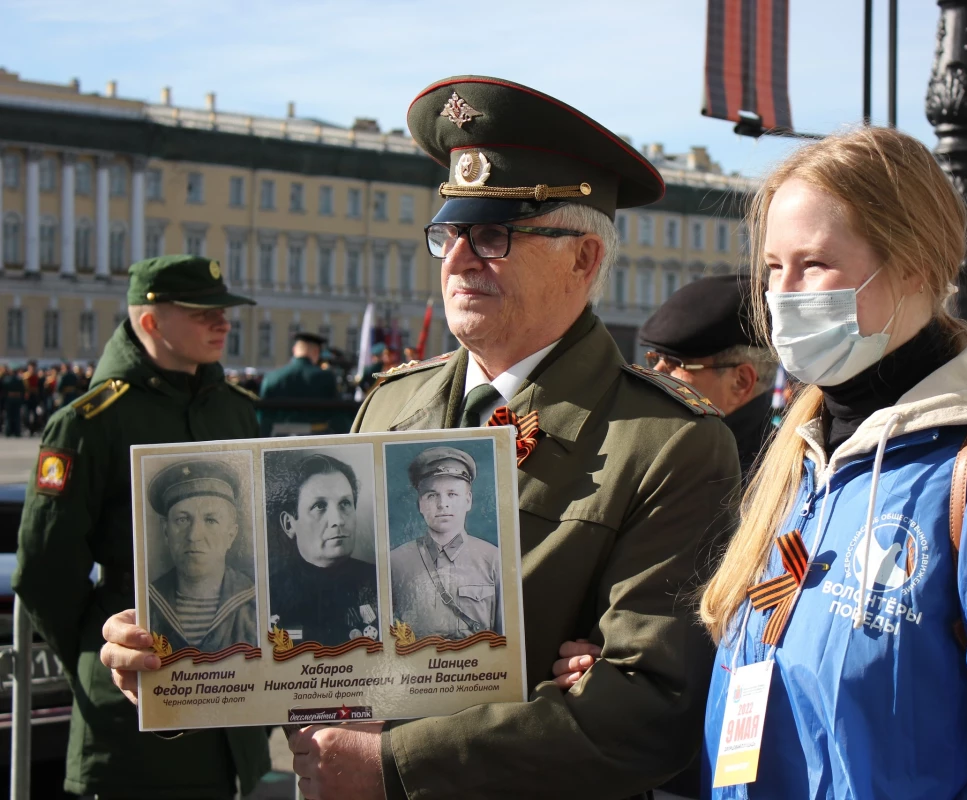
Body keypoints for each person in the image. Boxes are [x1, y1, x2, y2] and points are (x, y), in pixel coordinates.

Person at [99, 75, 740, 800]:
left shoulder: (666, 443)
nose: (460, 259)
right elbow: (317, 626)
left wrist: (398, 766)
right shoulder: (393, 403)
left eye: (495, 235)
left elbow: (654, 711)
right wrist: (179, 668)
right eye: (449, 232)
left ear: (583, 259)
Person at [560, 128, 967, 796]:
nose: (785, 296)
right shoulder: (802, 458)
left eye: (814, 265)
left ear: (914, 263)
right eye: (774, 268)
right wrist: (628, 679)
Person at [13, 254, 270, 799]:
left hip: (232, 700)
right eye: (203, 313)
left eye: (223, 311)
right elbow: (44, 571)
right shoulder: (90, 423)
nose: (222, 323)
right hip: (133, 707)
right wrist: (94, 649)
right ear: (151, 322)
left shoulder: (236, 410)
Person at [640, 274, 778, 482]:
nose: (656, 374)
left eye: (676, 363)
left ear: (740, 382)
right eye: (656, 359)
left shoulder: (770, 475)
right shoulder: (684, 451)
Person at [264, 451, 379, 645]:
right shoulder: (268, 594)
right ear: (289, 524)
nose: (338, 520)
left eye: (345, 504)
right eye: (319, 506)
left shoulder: (380, 581)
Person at [389, 446, 502, 639]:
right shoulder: (395, 563)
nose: (443, 504)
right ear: (420, 504)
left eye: (452, 494)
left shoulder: (493, 559)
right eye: (432, 495)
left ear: (468, 501)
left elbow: (505, 640)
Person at [146, 459, 257, 654]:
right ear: (166, 532)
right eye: (182, 519)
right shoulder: (147, 604)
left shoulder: (257, 605)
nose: (194, 536)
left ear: (231, 535)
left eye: (211, 520)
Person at [258, 330, 343, 436]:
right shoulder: (326, 377)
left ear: (294, 350)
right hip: (315, 439)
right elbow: (338, 417)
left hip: (279, 441)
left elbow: (263, 419)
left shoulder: (271, 378)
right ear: (316, 352)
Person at [1, 363, 23, 437]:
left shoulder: (6, 379)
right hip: (17, 398)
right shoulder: (19, 379)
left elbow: (3, 389)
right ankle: (17, 432)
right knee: (16, 416)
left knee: (8, 416)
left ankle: (8, 431)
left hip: (9, 399)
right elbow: (22, 389)